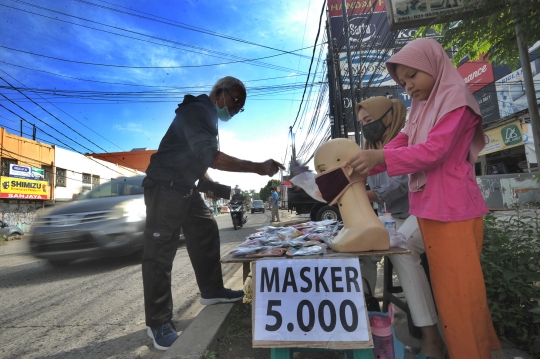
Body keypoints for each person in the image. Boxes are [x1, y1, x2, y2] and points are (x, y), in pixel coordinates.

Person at [346, 38, 504, 359]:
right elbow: (401, 141)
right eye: (402, 82)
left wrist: (378, 160)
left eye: (413, 76)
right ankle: (466, 347)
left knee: (459, 296)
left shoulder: (455, 100)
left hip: (453, 209)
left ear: (432, 65)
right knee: (450, 293)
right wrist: (369, 158)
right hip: (430, 207)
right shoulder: (422, 105)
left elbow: (435, 150)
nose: (408, 87)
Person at [142, 76, 284, 350]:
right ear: (219, 92)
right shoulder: (197, 109)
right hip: (163, 186)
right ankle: (157, 323)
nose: (235, 107)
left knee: (206, 229)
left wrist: (206, 180)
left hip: (185, 186)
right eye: (234, 99)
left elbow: (196, 154)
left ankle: (211, 290)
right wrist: (257, 167)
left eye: (240, 105)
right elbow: (211, 155)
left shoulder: (210, 118)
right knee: (159, 253)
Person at [356, 96, 443, 359]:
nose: (365, 127)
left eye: (369, 120)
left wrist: (366, 194)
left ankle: (431, 337)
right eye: (362, 123)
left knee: (402, 250)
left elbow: (403, 184)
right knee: (362, 249)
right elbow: (371, 190)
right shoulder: (370, 149)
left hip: (423, 209)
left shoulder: (407, 138)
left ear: (388, 116)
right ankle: (368, 314)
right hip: (393, 216)